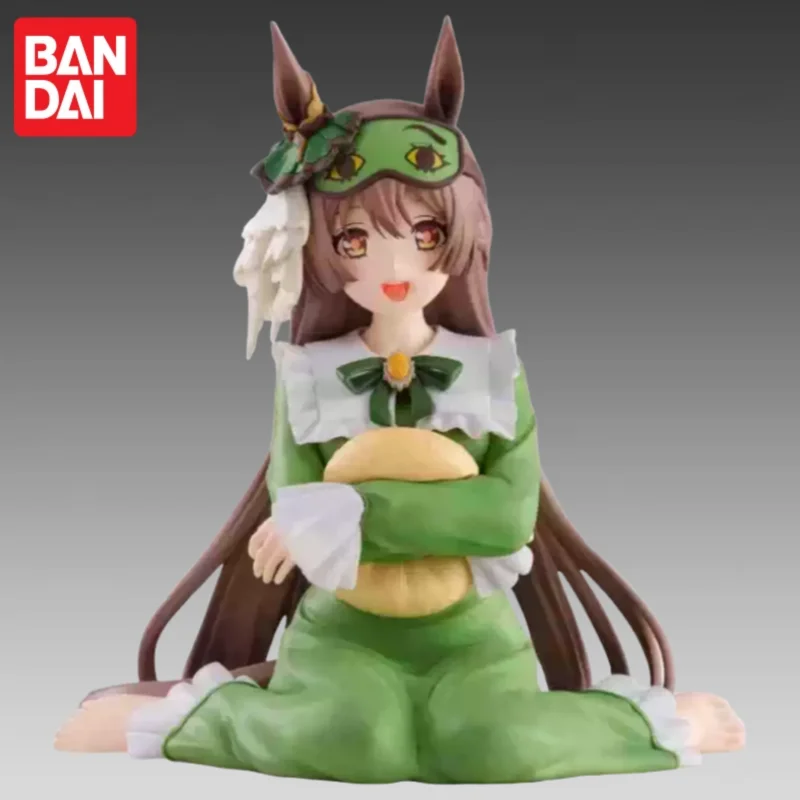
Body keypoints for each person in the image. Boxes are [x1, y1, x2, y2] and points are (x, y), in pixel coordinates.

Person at [54, 17, 745, 784]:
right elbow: (294, 506)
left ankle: (652, 724)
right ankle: (183, 717)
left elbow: (503, 514)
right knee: (349, 743)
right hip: (342, 631)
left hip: (474, 635)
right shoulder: (309, 377)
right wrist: (339, 517)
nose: (394, 265)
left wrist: (353, 510)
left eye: (423, 233)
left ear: (462, 232)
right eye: (354, 240)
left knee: (493, 748)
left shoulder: (492, 373)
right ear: (316, 246)